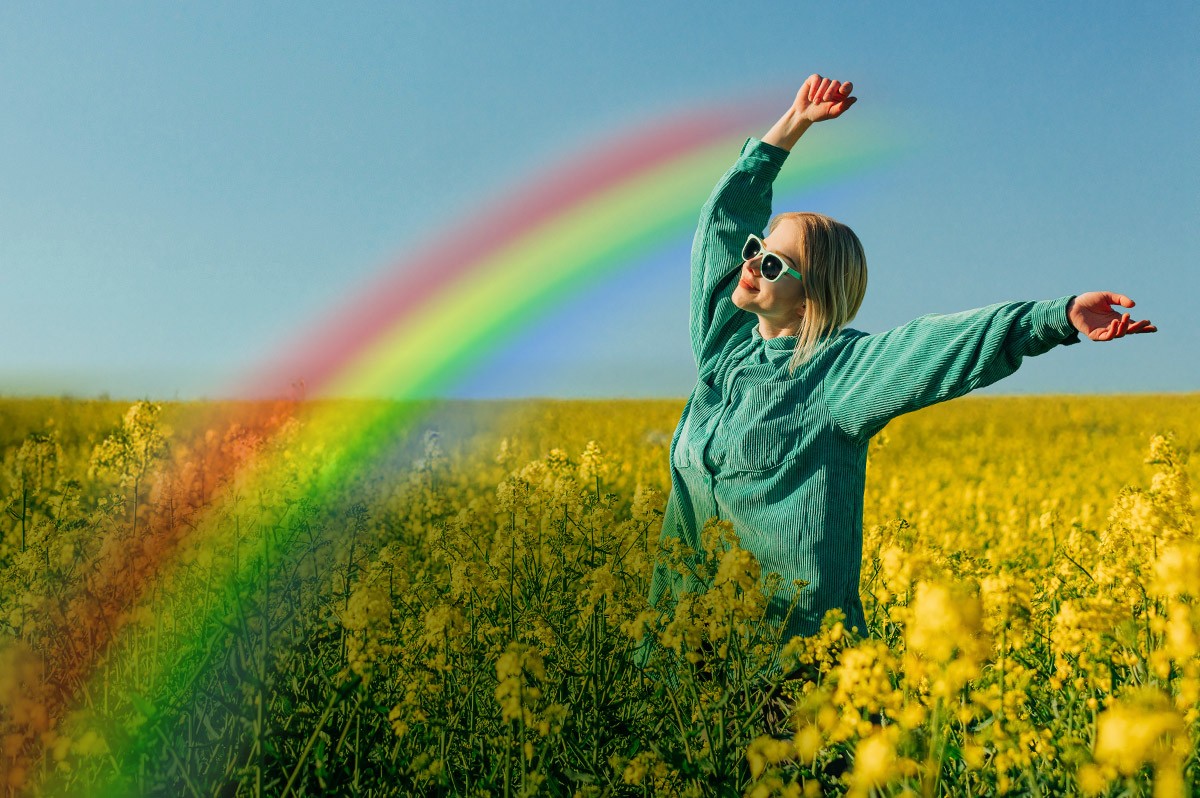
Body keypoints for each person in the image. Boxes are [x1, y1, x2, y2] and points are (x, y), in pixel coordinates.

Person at [635, 74, 1157, 719]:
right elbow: (721, 223)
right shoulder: (724, 348)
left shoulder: (840, 373)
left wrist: (1055, 318)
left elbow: (938, 344)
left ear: (814, 294)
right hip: (683, 660)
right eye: (756, 251)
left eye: (772, 264)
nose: (750, 265)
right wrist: (789, 128)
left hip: (789, 678)